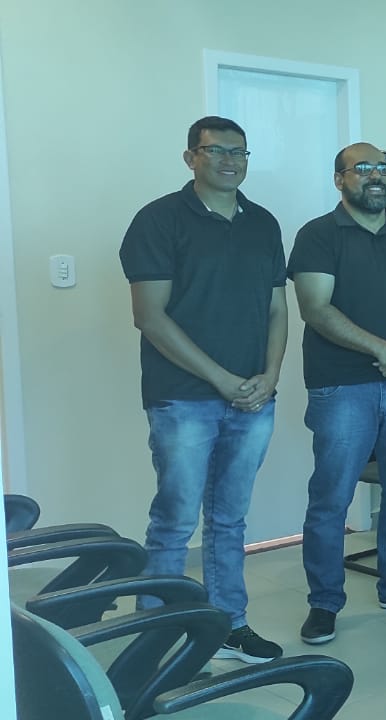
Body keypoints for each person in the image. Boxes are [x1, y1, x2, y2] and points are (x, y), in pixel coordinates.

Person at [119, 116, 286, 663]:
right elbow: (150, 317)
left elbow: (276, 306)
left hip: (254, 398)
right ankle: (155, 637)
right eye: (216, 151)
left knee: (231, 519)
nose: (230, 161)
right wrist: (221, 379)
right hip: (183, 397)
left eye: (240, 151)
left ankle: (228, 626)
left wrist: (270, 374)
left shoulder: (263, 223)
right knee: (174, 521)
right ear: (191, 157)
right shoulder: (159, 220)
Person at [291, 142, 386, 646]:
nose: (376, 177)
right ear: (340, 180)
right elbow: (316, 308)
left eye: (382, 168)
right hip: (342, 385)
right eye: (363, 169)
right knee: (332, 497)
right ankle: (324, 603)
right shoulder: (318, 235)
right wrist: (385, 349)